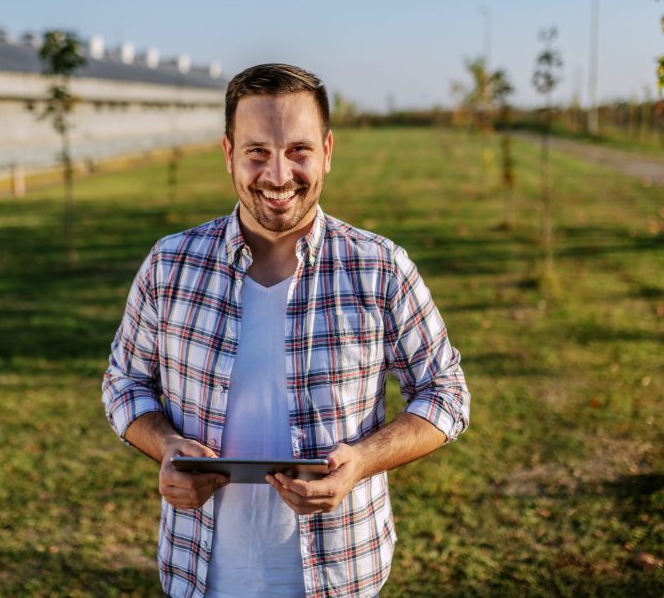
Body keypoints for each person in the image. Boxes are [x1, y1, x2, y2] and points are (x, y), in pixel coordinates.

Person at [102, 63, 470, 598]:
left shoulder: (379, 267)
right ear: (228, 153)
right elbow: (124, 382)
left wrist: (362, 461)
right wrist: (166, 449)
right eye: (257, 152)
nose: (278, 175)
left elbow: (447, 392)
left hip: (342, 572)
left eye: (298, 150)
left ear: (327, 149)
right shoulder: (170, 264)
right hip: (200, 573)